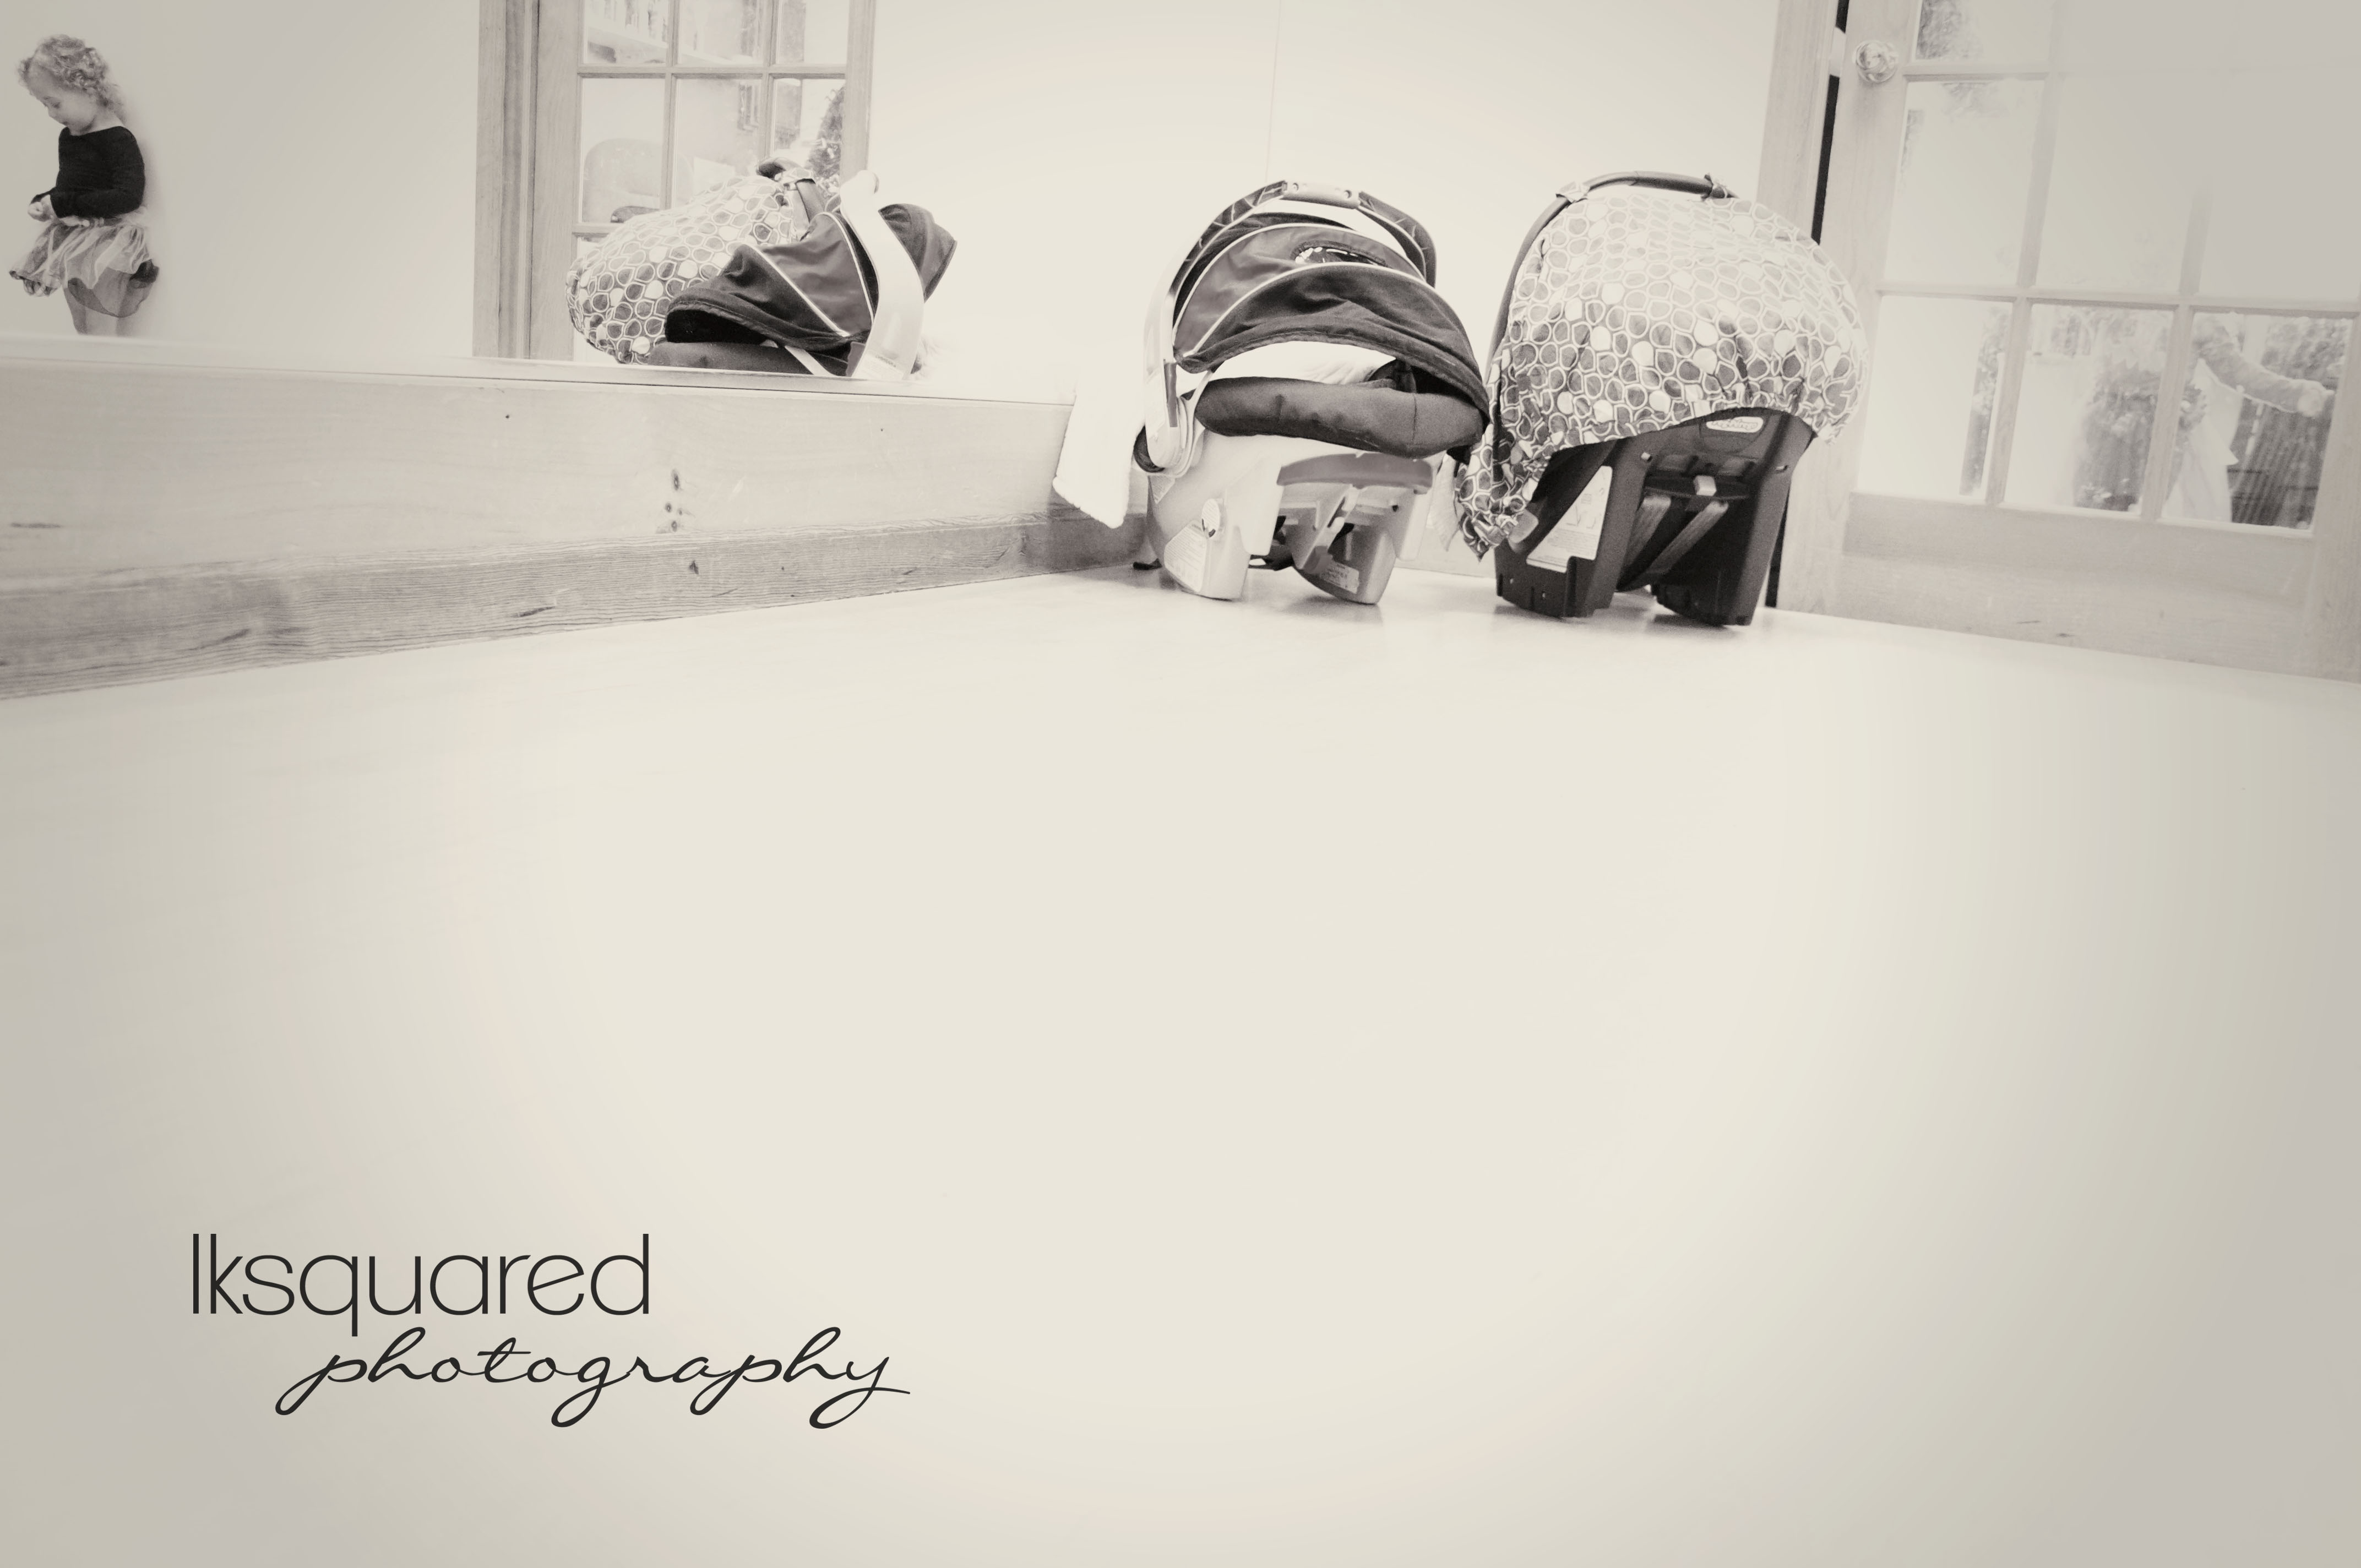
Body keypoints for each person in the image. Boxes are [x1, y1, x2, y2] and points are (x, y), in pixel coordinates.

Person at [10, 35, 156, 335]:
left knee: (100, 328)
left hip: (107, 243)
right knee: (81, 325)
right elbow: (70, 186)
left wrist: (64, 204)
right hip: (72, 241)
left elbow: (128, 196)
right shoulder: (69, 137)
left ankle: (106, 365)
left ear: (86, 89)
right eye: (44, 105)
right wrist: (45, 200)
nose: (52, 114)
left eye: (55, 103)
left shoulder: (118, 139)